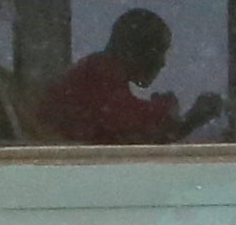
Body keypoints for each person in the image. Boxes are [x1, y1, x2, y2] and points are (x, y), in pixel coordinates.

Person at [35, 8, 223, 145]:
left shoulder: (95, 73)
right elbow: (135, 131)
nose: (162, 63)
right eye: (158, 50)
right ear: (133, 49)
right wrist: (169, 112)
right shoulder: (98, 75)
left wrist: (183, 120)